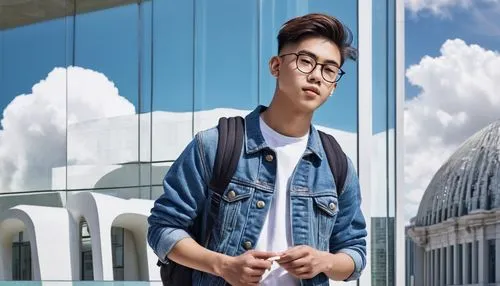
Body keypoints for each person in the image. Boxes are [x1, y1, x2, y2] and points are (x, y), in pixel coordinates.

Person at [147, 13, 367, 286]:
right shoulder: (214, 146)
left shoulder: (336, 165)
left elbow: (355, 252)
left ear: (333, 86)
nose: (316, 76)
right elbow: (163, 228)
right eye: (305, 61)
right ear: (276, 66)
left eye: (329, 70)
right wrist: (223, 265)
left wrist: (325, 261)